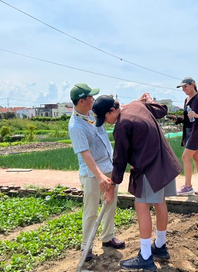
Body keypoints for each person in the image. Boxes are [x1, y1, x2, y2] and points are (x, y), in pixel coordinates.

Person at [93, 93, 182, 271]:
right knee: (160, 202)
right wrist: (148, 100)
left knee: (142, 206)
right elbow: (162, 110)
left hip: (150, 168)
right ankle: (160, 246)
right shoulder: (137, 105)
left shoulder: (123, 124)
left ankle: (146, 256)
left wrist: (111, 186)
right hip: (165, 162)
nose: (107, 122)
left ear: (112, 110)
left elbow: (120, 158)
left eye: (106, 117)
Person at [68, 83, 125, 262]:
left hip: (108, 166)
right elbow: (86, 154)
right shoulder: (76, 126)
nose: (94, 99)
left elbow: (114, 109)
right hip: (92, 174)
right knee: (91, 210)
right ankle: (87, 245)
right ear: (82, 101)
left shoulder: (93, 113)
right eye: (91, 97)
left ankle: (107, 237)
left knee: (110, 203)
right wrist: (100, 176)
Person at [169, 77, 198, 195]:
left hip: (197, 132)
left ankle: (188, 187)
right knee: (196, 158)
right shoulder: (186, 100)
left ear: (193, 85)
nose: (183, 89)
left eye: (185, 86)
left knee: (185, 157)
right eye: (182, 87)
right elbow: (189, 118)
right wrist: (178, 119)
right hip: (189, 131)